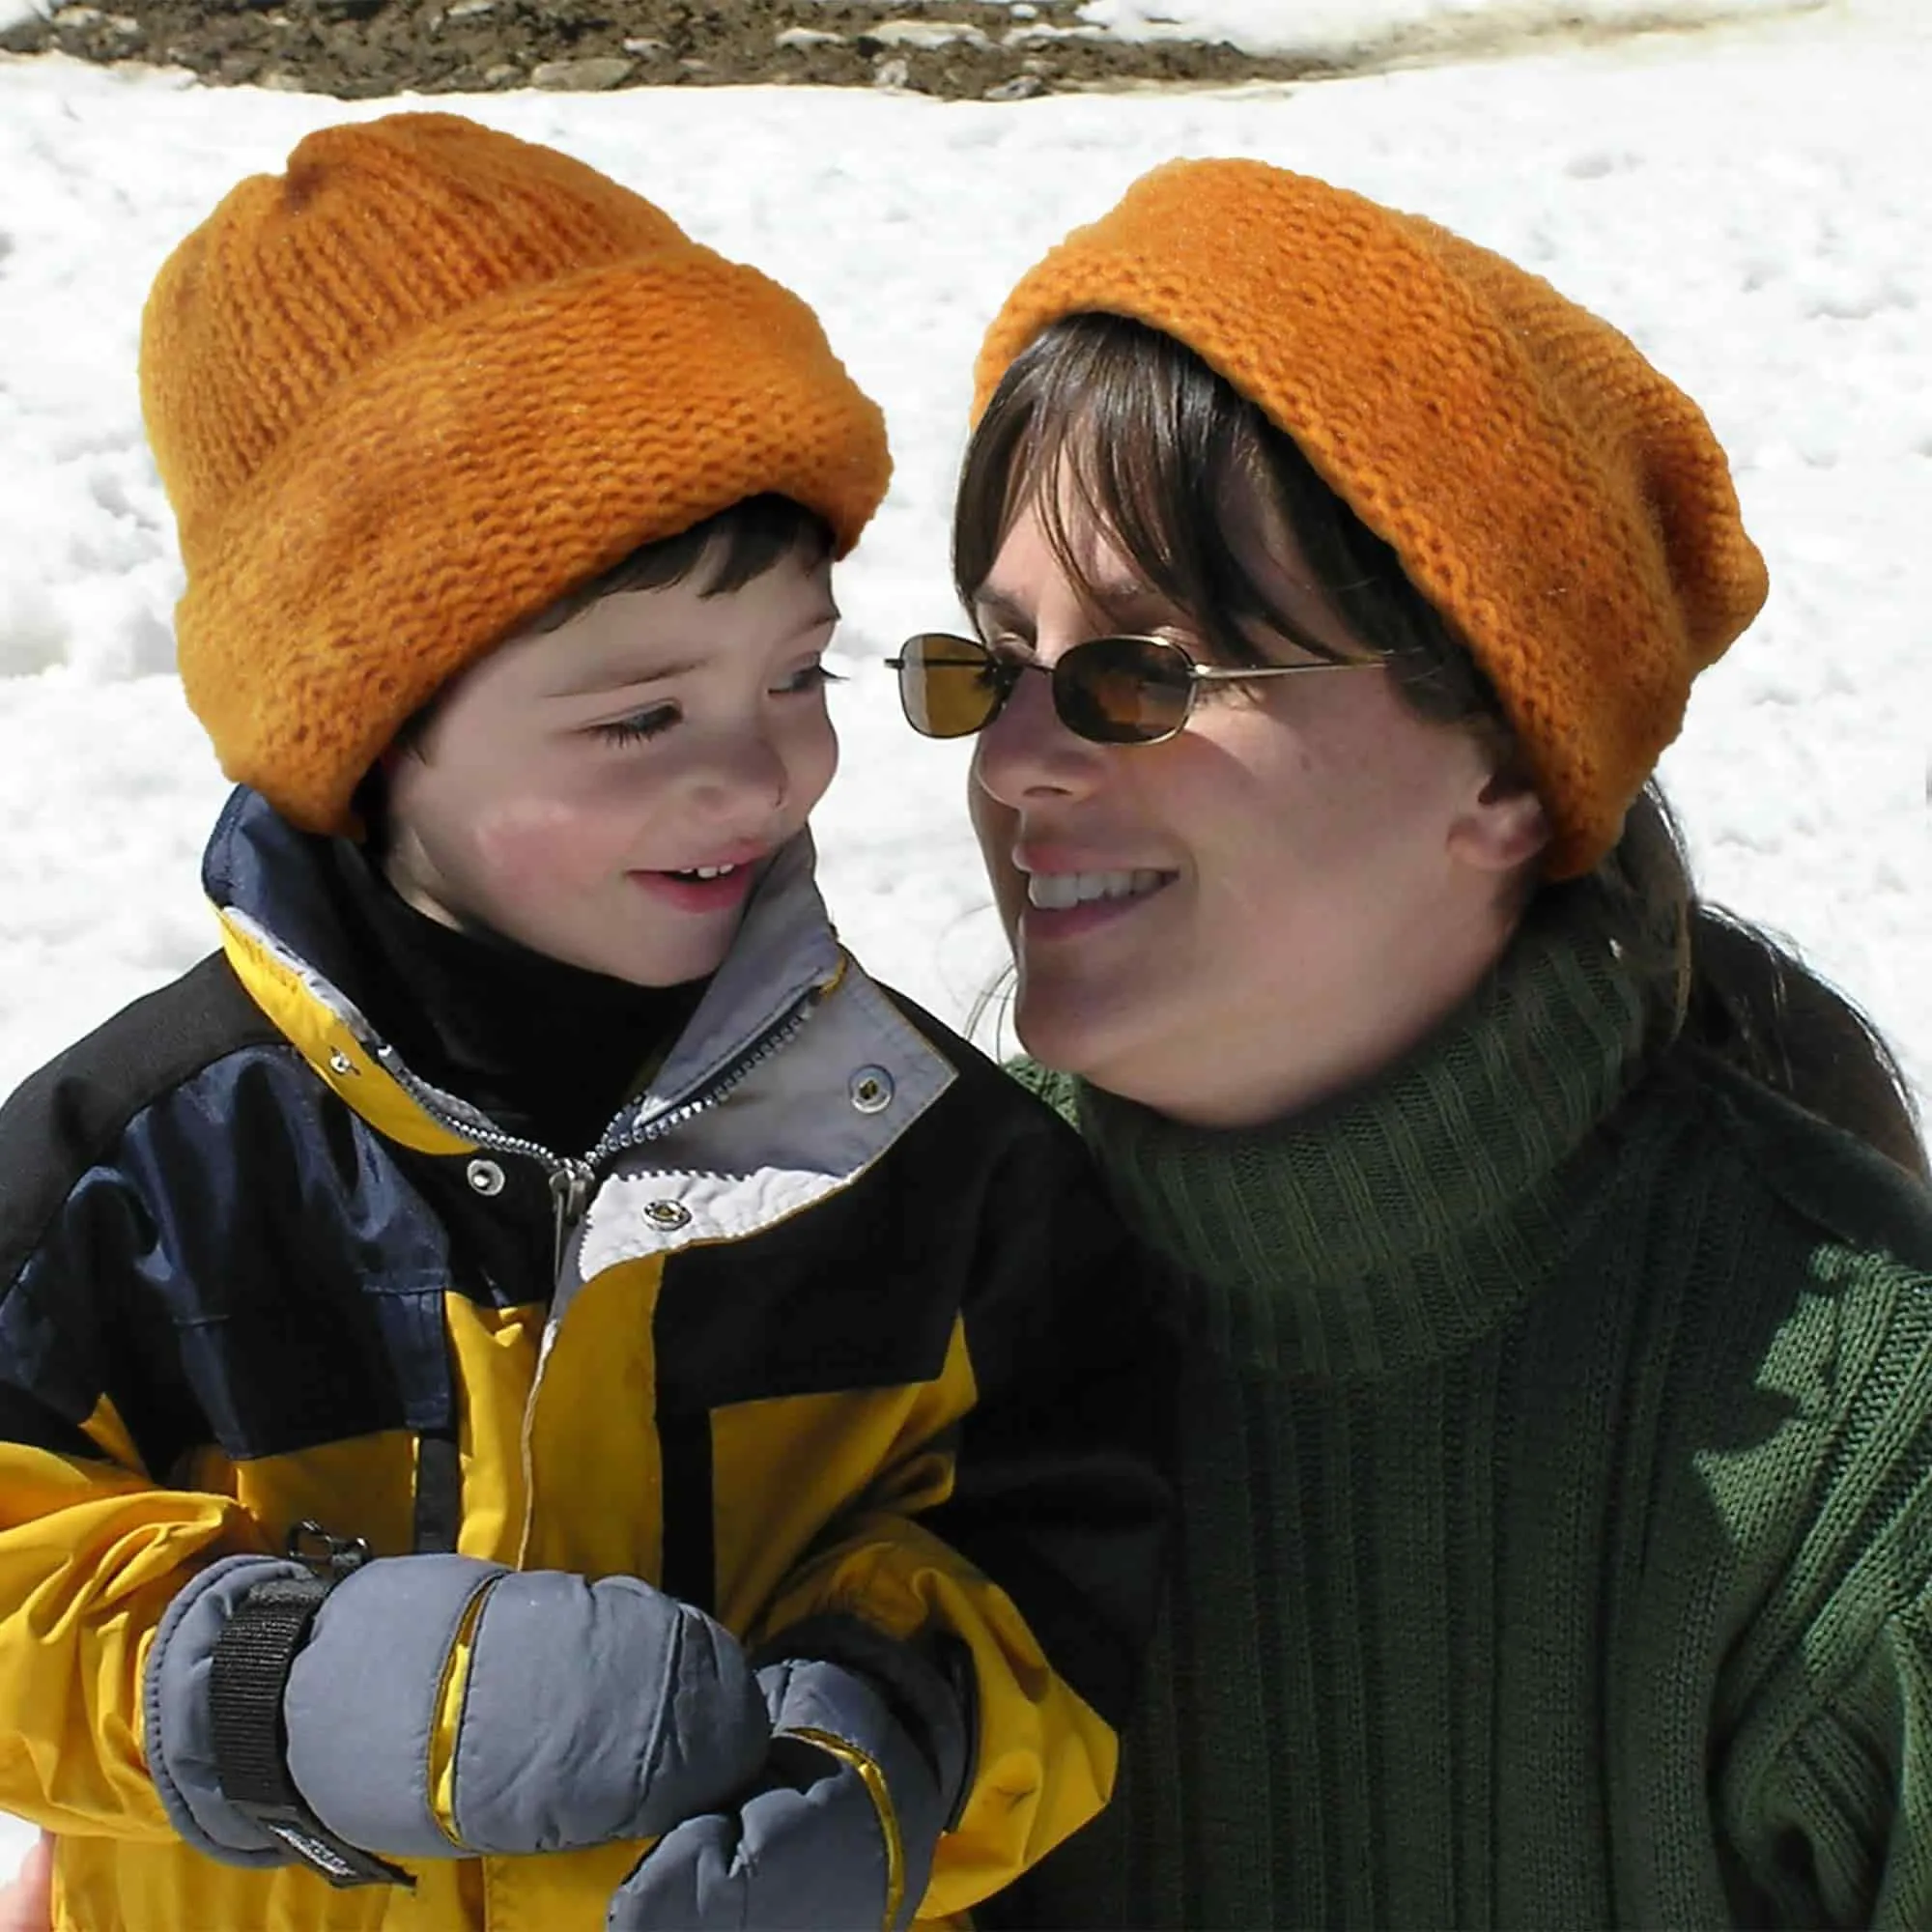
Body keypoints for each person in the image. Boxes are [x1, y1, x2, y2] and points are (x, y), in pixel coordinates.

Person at [0, 114, 1172, 1932]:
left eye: (795, 673)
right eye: (639, 719)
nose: (760, 773)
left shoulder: (940, 1175)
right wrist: (258, 1690)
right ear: (373, 732)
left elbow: (1059, 1564)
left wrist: (884, 1769)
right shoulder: (143, 1174)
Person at [886, 156, 1932, 1927]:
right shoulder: (886, 1298)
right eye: (996, 664)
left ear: (1510, 771)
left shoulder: (1856, 1448)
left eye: (1144, 673)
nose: (1019, 762)